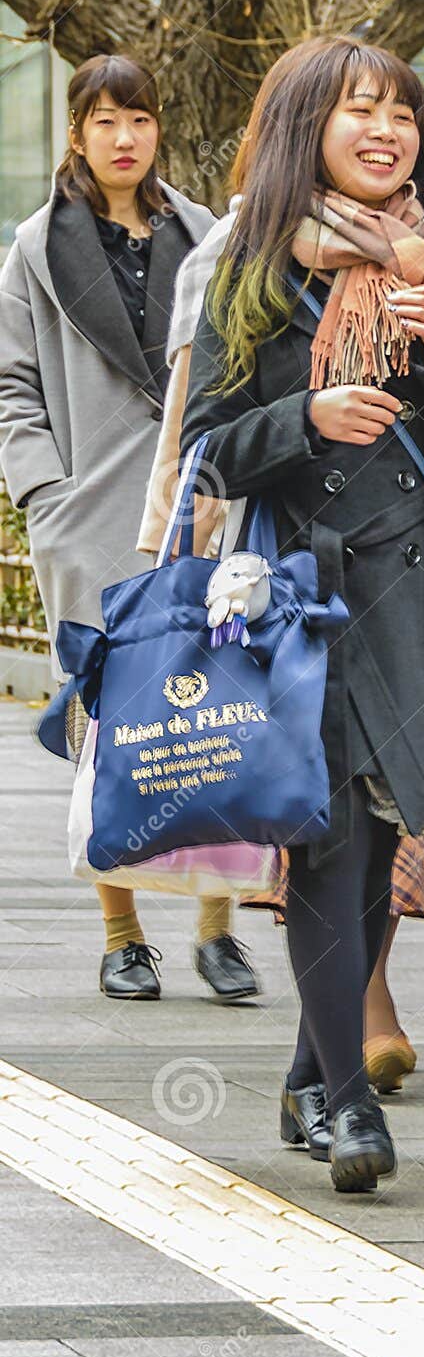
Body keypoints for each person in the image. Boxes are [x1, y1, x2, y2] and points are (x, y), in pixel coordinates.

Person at [184, 34, 424, 1192]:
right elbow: (210, 447)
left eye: (402, 113)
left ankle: (312, 1071)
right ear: (305, 128)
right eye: (359, 110)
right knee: (331, 846)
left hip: (412, 596)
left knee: (378, 850)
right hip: (299, 598)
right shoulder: (256, 271)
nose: (386, 131)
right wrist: (307, 417)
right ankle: (350, 1102)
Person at [0, 53, 259, 1005]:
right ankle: (122, 932)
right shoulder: (36, 245)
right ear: (77, 133)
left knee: (217, 715)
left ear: (157, 129)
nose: (122, 137)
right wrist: (46, 497)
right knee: (107, 726)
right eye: (103, 120)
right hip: (92, 515)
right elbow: (9, 385)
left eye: (138, 119)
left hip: (201, 502)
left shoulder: (208, 233)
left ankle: (218, 928)